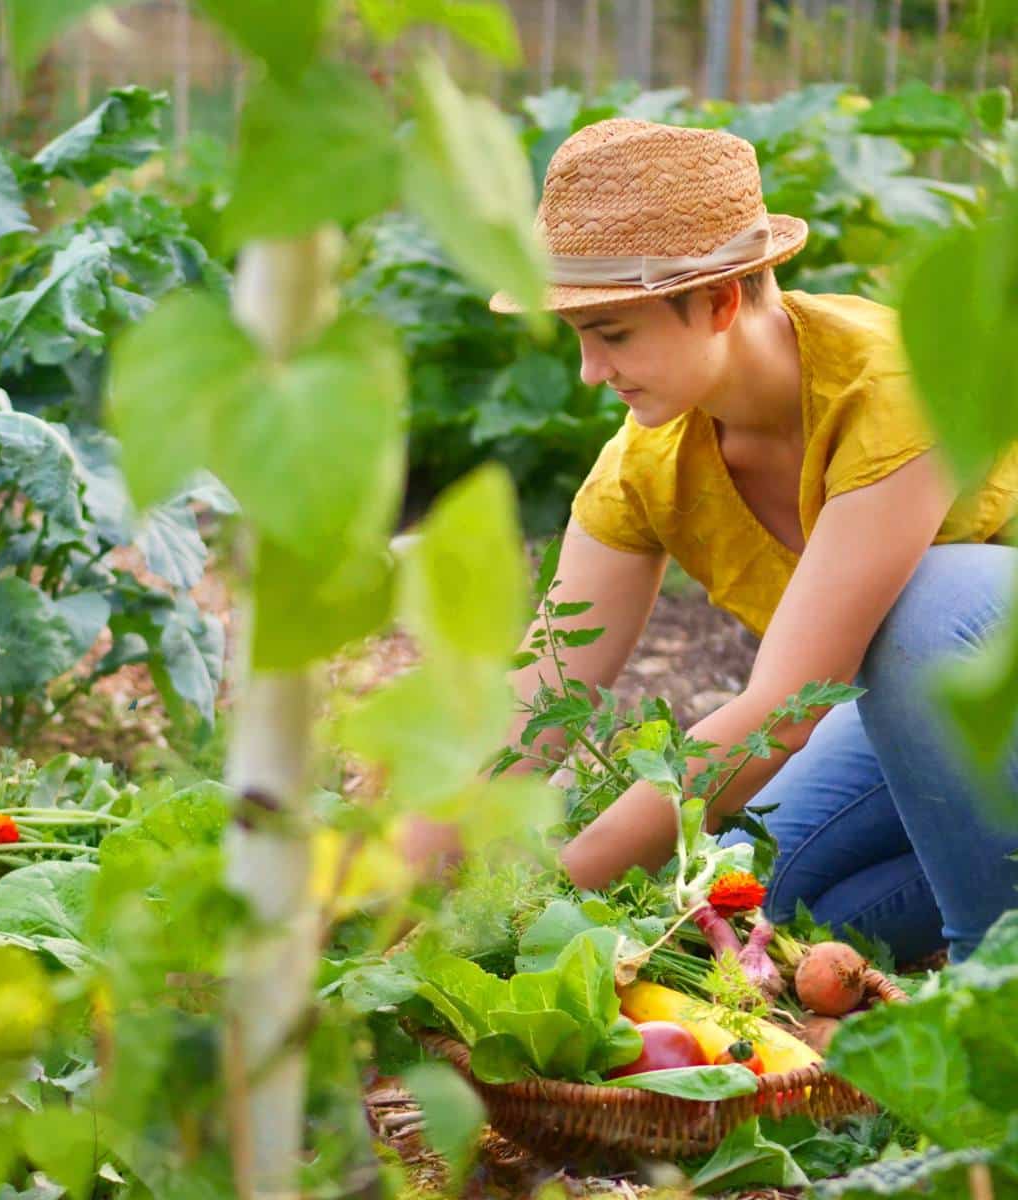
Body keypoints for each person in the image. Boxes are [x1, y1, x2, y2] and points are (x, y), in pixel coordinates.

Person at [410, 118, 1018, 966]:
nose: (590, 371)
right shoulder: (650, 461)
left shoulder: (891, 386)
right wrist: (389, 874)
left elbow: (786, 708)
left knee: (930, 603)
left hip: (992, 675)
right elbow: (533, 700)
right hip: (951, 743)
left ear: (720, 300)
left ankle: (993, 995)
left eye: (613, 333)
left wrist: (547, 898)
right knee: (759, 895)